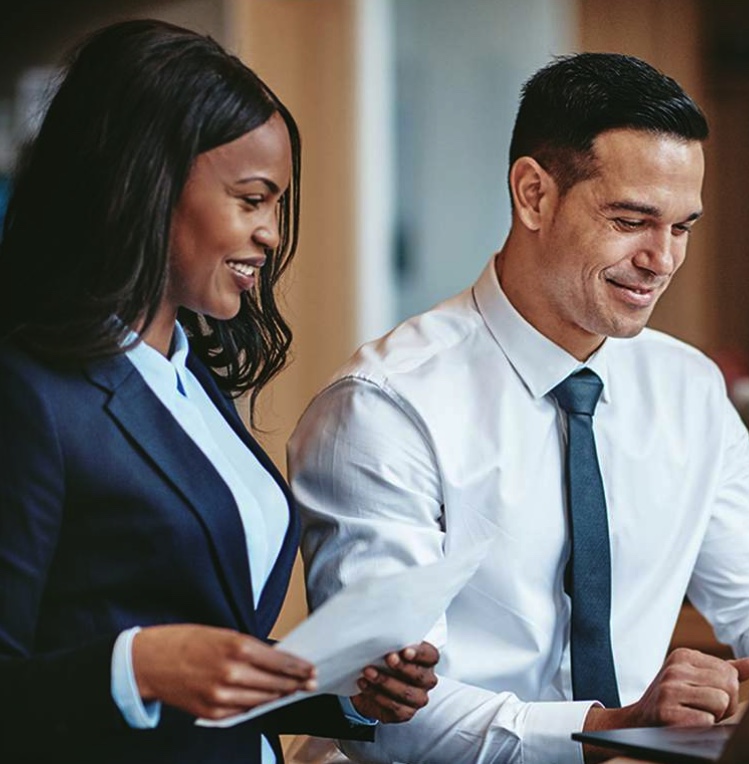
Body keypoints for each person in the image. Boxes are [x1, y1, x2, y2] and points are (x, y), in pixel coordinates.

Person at [289, 52, 749, 764]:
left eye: (682, 227)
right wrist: (613, 726)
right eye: (632, 219)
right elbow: (392, 717)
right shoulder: (385, 409)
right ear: (533, 194)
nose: (662, 259)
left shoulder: (688, 388)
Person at [0, 20, 438, 763]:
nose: (270, 234)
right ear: (146, 184)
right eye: (252, 198)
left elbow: (201, 653)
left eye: (276, 205)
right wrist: (135, 665)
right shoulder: (30, 393)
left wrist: (336, 687)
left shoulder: (188, 376)